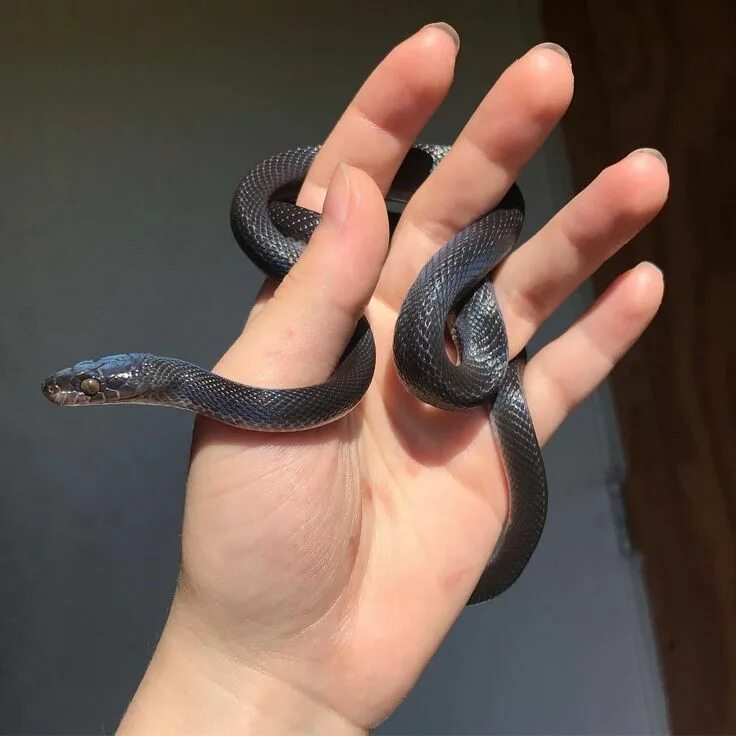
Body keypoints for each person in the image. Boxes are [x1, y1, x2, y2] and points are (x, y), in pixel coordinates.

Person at [117, 23, 668, 735]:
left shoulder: (428, 348)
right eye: (102, 387)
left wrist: (240, 668)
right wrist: (243, 656)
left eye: (97, 386)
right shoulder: (303, 362)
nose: (92, 391)